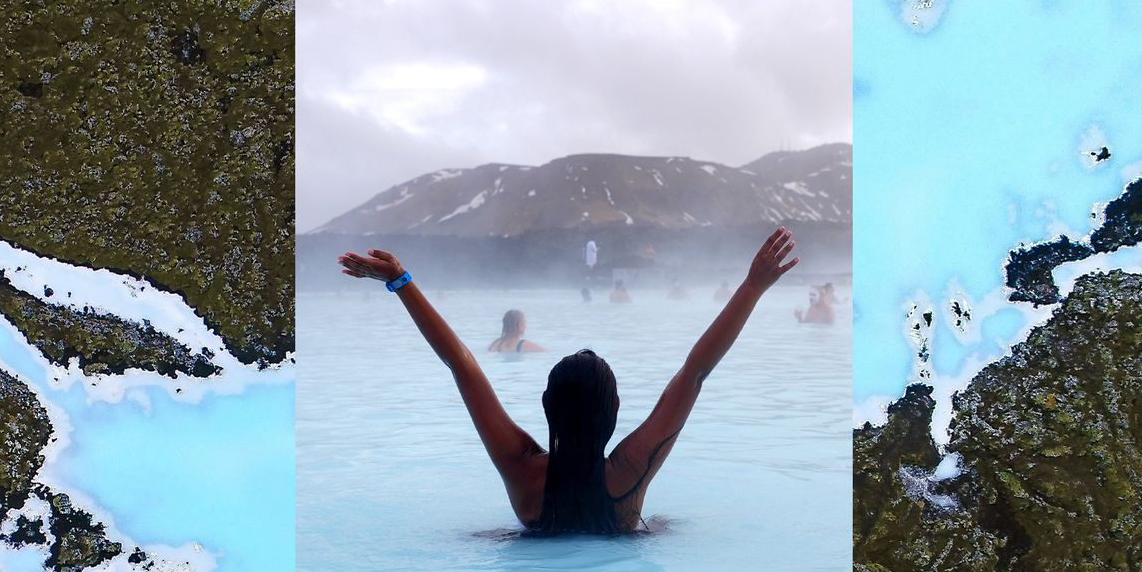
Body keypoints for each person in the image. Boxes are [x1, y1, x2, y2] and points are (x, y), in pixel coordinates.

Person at [336, 226, 801, 534]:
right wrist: (753, 287)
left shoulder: (522, 472)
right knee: (666, 527)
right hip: (619, 556)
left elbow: (463, 366)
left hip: (529, 557)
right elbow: (696, 372)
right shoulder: (629, 474)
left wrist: (402, 282)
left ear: (546, 407)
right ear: (615, 412)